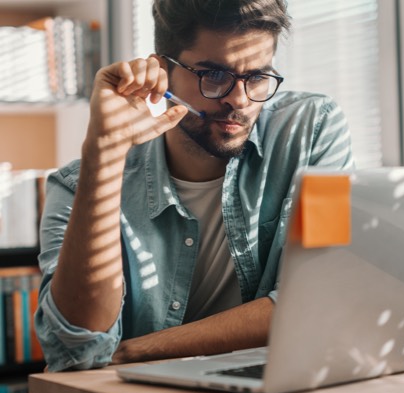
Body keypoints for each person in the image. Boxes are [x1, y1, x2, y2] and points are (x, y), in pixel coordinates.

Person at [36, 0, 354, 372]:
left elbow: (316, 302)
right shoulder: (76, 186)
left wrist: (130, 352)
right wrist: (103, 153)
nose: (239, 99)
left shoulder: (311, 130)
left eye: (257, 77)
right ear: (162, 71)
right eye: (214, 75)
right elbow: (78, 349)